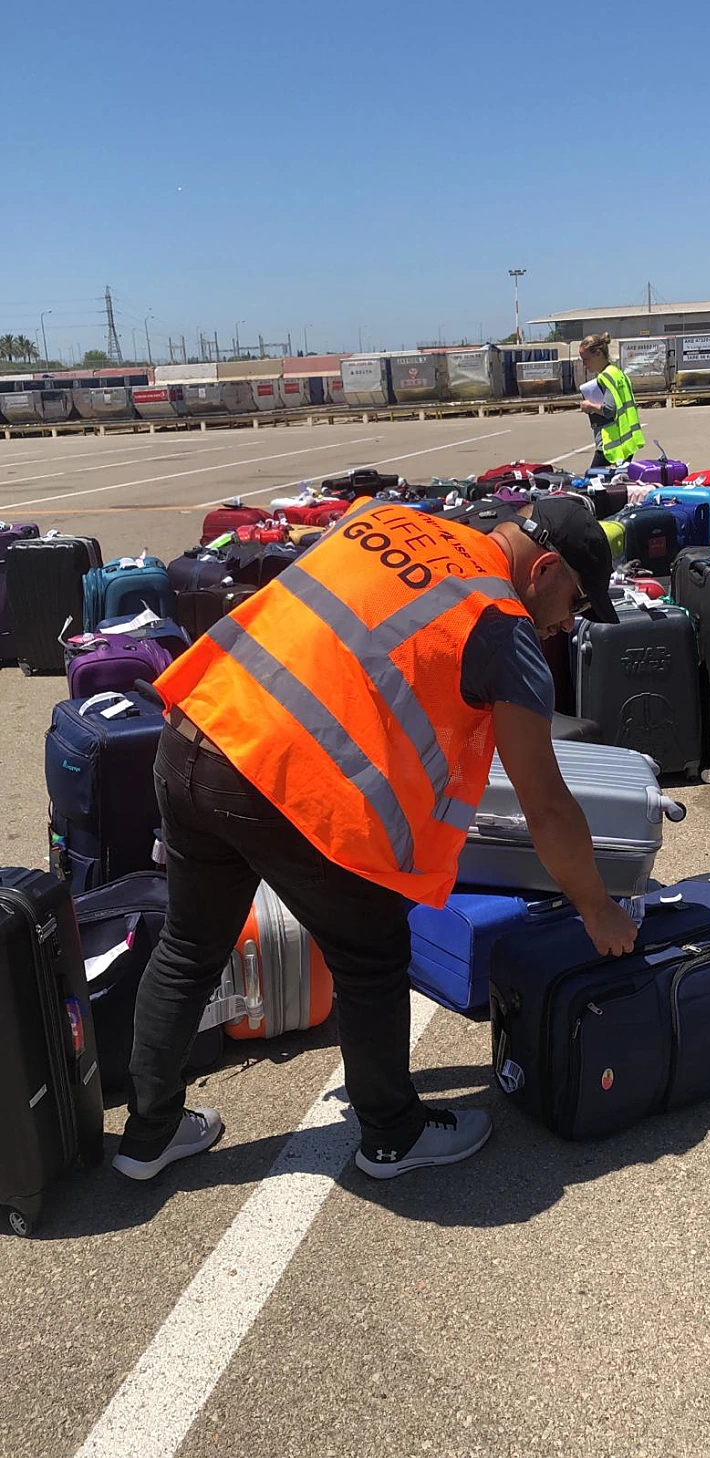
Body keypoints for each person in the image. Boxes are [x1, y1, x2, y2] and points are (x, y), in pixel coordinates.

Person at [112, 494, 638, 1186]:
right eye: (574, 600)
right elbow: (544, 804)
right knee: (371, 954)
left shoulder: (391, 518)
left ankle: (148, 1136)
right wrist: (597, 908)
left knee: (188, 946)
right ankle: (392, 1136)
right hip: (279, 782)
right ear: (541, 570)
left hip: (197, 734)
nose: (568, 622)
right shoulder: (503, 627)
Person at [578, 332, 646, 472]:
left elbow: (610, 410)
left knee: (592, 481)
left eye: (586, 359)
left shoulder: (605, 377)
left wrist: (589, 406)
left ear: (598, 354)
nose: (584, 364)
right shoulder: (618, 373)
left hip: (611, 442)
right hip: (626, 439)